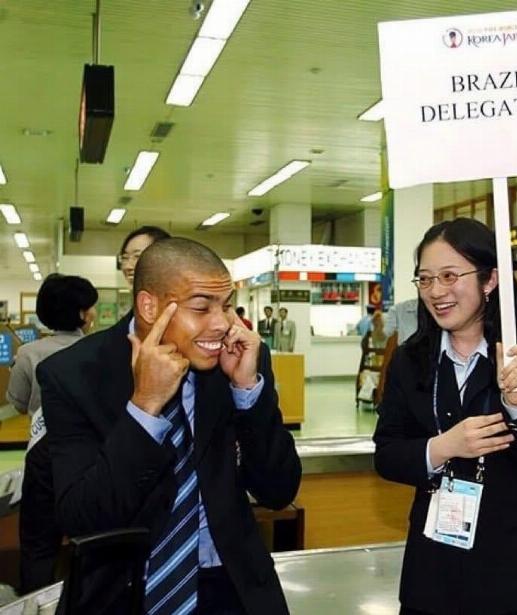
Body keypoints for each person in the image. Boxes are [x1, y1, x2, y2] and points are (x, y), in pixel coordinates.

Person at [38, 238, 301, 614]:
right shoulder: (74, 375)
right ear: (149, 306)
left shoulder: (239, 359)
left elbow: (279, 490)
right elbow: (83, 518)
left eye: (226, 306)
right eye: (201, 307)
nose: (223, 323)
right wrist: (144, 406)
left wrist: (247, 392)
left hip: (231, 587)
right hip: (126, 594)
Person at [373, 218, 517, 615]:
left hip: (515, 578)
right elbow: (387, 454)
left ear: (490, 279)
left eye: (448, 276)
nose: (436, 291)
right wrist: (442, 447)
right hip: (433, 574)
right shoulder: (411, 360)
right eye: (425, 280)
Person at [6, 274, 98, 594]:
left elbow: (17, 403)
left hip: (43, 453)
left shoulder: (29, 353)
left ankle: (34, 599)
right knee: (94, 538)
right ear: (84, 314)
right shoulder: (101, 350)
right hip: (92, 454)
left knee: (37, 543)